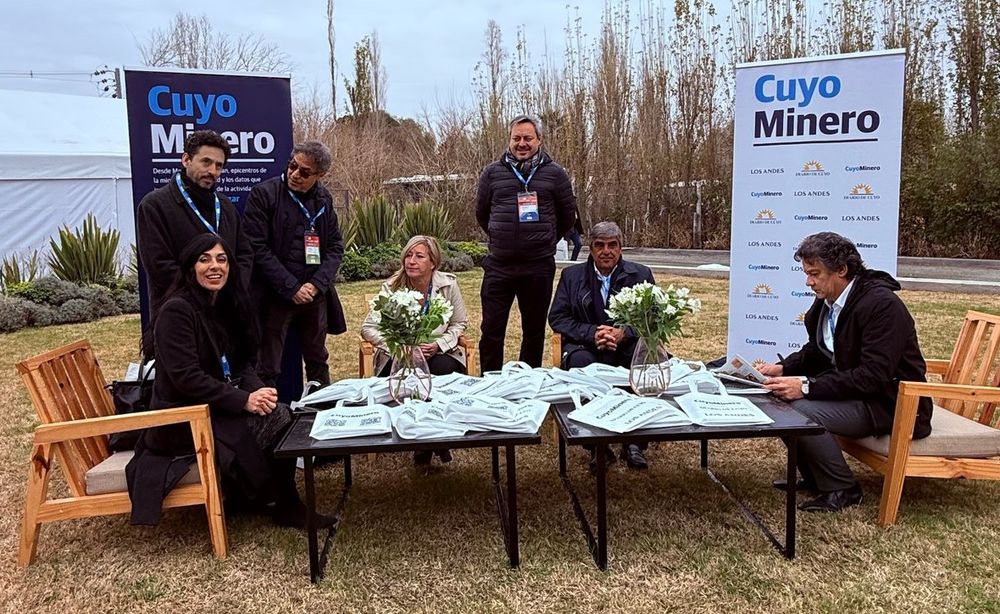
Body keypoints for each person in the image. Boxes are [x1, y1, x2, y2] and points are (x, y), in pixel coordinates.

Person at [126, 234, 326, 529]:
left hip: (211, 406)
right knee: (279, 419)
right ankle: (283, 504)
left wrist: (257, 389)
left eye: (221, 259)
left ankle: (275, 499)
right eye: (204, 259)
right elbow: (186, 379)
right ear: (190, 267)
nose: (214, 266)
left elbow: (240, 362)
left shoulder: (221, 303)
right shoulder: (176, 311)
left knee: (281, 412)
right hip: (182, 419)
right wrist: (244, 400)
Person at [760, 232, 933, 513]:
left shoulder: (882, 306)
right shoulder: (829, 300)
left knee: (800, 412)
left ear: (841, 269)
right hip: (859, 395)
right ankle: (817, 477)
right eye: (806, 273)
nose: (808, 282)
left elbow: (873, 376)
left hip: (893, 404)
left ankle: (843, 489)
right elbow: (817, 351)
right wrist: (782, 368)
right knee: (780, 401)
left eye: (815, 274)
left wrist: (806, 386)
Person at [548, 221, 656, 472]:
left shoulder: (641, 274)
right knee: (580, 364)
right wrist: (592, 332)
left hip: (627, 346)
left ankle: (634, 442)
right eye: (599, 245)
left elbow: (654, 318)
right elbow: (558, 317)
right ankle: (596, 444)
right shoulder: (571, 277)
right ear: (591, 249)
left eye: (612, 245)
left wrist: (624, 333)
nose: (606, 251)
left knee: (645, 363)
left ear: (620, 248)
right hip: (585, 346)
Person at [476, 114, 577, 371]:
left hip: (538, 266)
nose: (522, 143)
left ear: (539, 140)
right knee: (491, 329)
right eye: (516, 138)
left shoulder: (555, 174)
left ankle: (527, 383)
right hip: (499, 265)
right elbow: (482, 213)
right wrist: (502, 236)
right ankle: (491, 383)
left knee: (533, 331)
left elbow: (567, 217)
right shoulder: (492, 173)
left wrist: (544, 239)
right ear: (509, 140)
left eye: (528, 138)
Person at [243, 141, 346, 388]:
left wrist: (315, 285)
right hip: (275, 295)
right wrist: (291, 288)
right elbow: (256, 247)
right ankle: (267, 422)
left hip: (314, 295)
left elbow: (335, 247)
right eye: (292, 166)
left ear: (320, 175)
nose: (295, 174)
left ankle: (321, 413)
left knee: (318, 359)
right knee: (267, 364)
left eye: (304, 172)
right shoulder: (264, 194)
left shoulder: (323, 199)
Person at [361, 235, 469, 466]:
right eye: (408, 255)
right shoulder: (391, 288)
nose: (411, 261)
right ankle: (429, 443)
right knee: (407, 377)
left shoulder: (449, 285)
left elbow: (459, 324)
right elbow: (368, 328)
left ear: (433, 263)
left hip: (437, 354)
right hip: (398, 357)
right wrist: (396, 347)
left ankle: (429, 441)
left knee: (441, 370)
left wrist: (439, 344)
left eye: (419, 256)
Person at [136, 130, 253, 327]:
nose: (213, 171)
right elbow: (160, 265)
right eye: (206, 162)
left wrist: (228, 290)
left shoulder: (225, 207)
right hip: (179, 318)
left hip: (225, 315)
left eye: (219, 166)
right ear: (186, 160)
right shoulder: (154, 206)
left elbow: (244, 254)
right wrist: (207, 293)